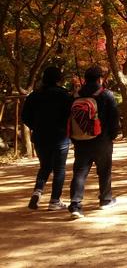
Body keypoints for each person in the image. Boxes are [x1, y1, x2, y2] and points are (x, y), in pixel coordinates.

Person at [67, 66, 120, 219]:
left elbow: (70, 117)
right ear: (99, 79)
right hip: (102, 139)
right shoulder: (106, 95)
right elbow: (114, 117)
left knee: (80, 172)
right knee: (104, 170)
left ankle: (76, 204)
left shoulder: (76, 96)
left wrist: (73, 137)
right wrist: (113, 135)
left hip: (81, 140)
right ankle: (105, 200)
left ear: (85, 79)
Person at [21, 66, 73, 211]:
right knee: (59, 169)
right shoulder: (64, 95)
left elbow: (25, 117)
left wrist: (36, 126)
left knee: (45, 167)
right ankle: (54, 200)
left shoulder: (34, 95)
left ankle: (37, 191)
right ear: (59, 79)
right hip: (60, 137)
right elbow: (71, 115)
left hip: (40, 137)